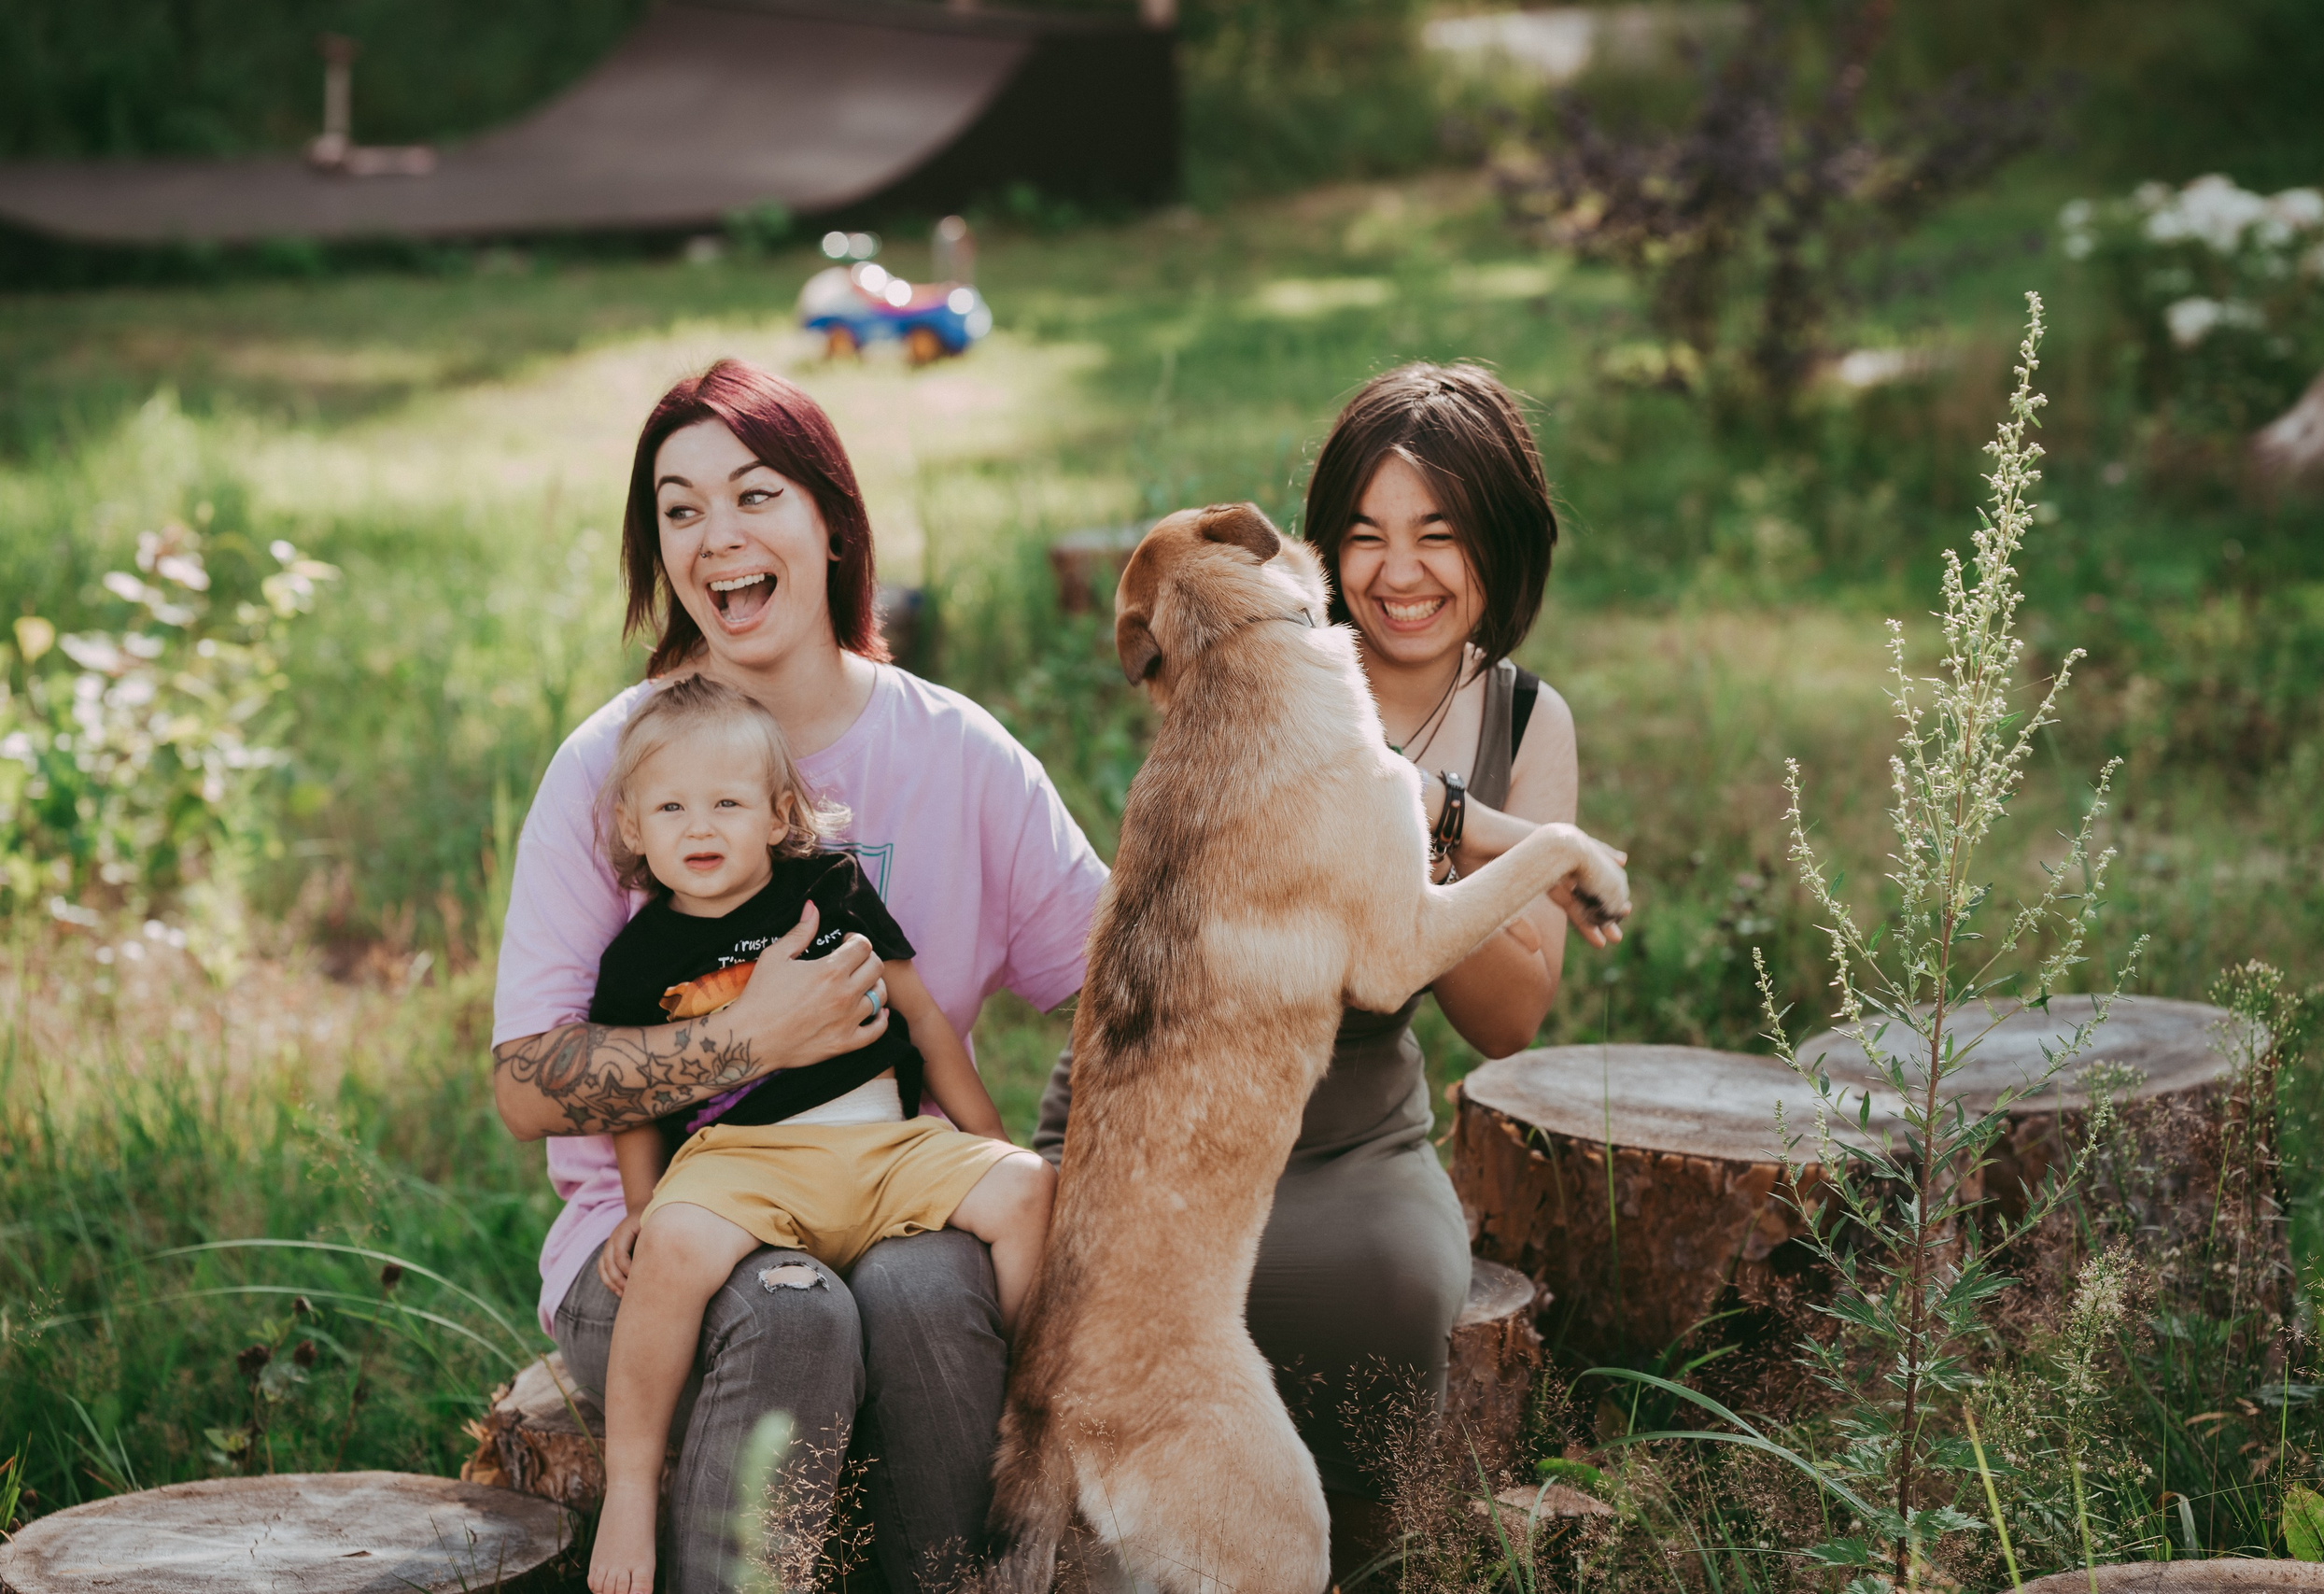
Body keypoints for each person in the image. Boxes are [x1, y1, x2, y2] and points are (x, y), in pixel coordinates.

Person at [490, 359, 1106, 1594]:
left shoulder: (960, 753)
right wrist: (746, 1038)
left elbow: (1121, 988)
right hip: (665, 1232)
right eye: (677, 508)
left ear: (832, 518)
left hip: (895, 1184)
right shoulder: (611, 765)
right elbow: (525, 1086)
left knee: (931, 1290)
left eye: (753, 493)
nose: (715, 536)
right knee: (792, 1310)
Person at [1033, 360, 1627, 1567]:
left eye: (1438, 536)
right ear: (1321, 549)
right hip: (1172, 1115)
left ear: (1500, 545)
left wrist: (1424, 843)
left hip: (1348, 1123)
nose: (1399, 573)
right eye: (1365, 536)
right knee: (1081, 1323)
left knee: (1395, 1281)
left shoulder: (1528, 720)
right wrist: (1472, 824)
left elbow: (1508, 1015)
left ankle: (1354, 1554)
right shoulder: (1264, 657)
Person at [579, 676, 1054, 1594]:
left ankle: (1030, 1410)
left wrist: (983, 1133)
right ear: (634, 829)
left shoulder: (826, 889)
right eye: (671, 807)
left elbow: (917, 1013)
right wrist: (644, 1208)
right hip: (742, 1168)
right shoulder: (637, 956)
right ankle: (630, 1492)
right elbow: (634, 1103)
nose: (701, 827)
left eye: (727, 803)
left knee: (1030, 1187)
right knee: (672, 1250)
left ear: (779, 814)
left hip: (882, 1142)